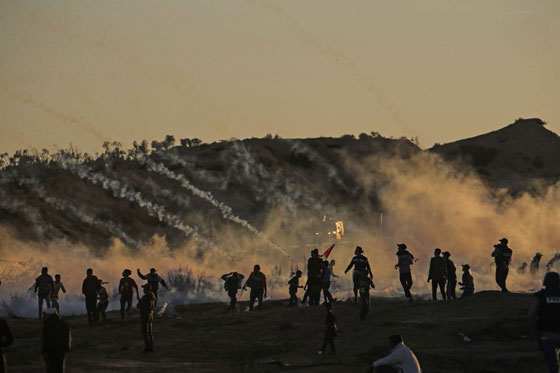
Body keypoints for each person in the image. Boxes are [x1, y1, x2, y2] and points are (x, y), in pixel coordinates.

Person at [528, 272, 560, 373]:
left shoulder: (540, 296)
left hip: (546, 337)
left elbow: (530, 315)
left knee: (553, 369)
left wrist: (534, 328)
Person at [137, 284, 156, 353]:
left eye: (144, 288)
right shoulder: (153, 295)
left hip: (145, 315)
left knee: (145, 332)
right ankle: (151, 348)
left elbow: (138, 306)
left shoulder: (145, 296)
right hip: (150, 314)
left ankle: (147, 348)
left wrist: (139, 300)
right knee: (150, 332)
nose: (143, 290)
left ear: (147, 289)